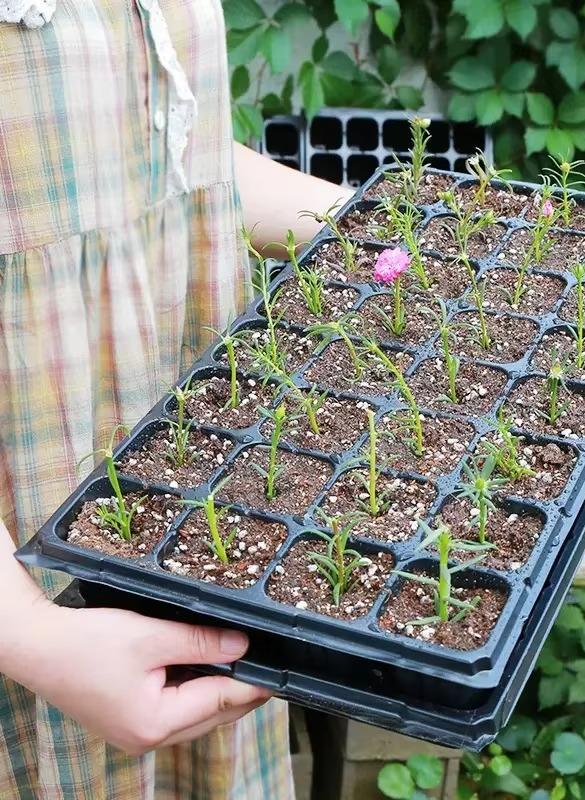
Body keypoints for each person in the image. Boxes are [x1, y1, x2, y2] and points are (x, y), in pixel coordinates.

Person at [0, 1, 353, 796]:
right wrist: (30, 636)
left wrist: (370, 230)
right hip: (39, 611)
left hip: (203, 532)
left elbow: (162, 144)